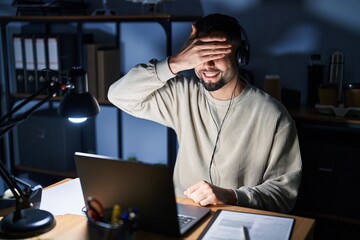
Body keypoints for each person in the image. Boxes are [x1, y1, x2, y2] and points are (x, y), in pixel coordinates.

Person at [108, 13, 302, 213]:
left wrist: (231, 196)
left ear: (240, 56)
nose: (208, 65)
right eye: (201, 55)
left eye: (217, 54)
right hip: (183, 213)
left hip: (238, 217)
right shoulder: (182, 94)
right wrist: (175, 63)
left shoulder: (273, 115)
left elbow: (284, 194)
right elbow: (118, 95)